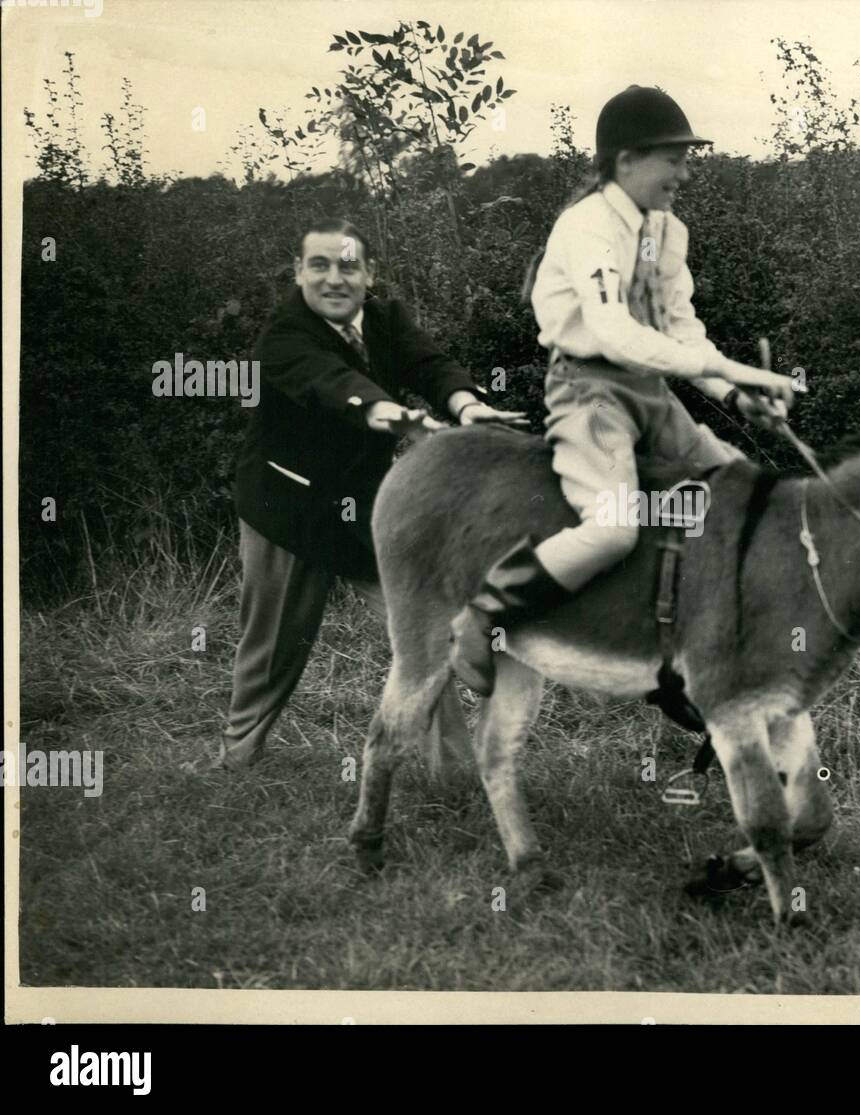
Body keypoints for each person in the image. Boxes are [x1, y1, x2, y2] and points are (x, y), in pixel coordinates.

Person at [450, 85, 797, 697]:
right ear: (626, 160)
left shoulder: (668, 233)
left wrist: (735, 395)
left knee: (750, 496)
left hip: (651, 395)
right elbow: (615, 335)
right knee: (612, 528)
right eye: (673, 158)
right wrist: (741, 371)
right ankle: (483, 616)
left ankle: (704, 660)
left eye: (686, 158)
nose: (684, 174)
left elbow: (681, 333)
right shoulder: (585, 227)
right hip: (587, 394)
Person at [215, 218, 525, 769]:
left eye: (348, 265)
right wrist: (390, 414)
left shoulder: (386, 319)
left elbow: (430, 365)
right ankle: (237, 758)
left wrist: (466, 406)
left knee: (427, 632)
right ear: (298, 272)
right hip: (287, 509)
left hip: (370, 509)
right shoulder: (284, 335)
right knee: (274, 647)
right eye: (320, 265)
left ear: (369, 273)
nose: (335, 279)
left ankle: (452, 774)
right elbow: (334, 384)